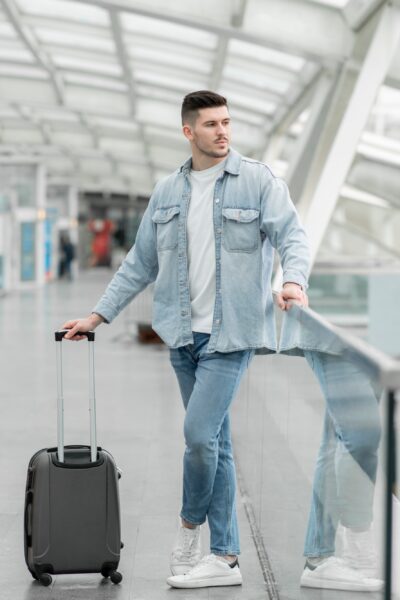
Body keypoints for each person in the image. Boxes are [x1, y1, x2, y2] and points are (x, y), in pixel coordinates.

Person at [62, 90, 310, 589]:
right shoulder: (168, 191)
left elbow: (293, 236)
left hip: (231, 336)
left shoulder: (258, 180)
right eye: (212, 124)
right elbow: (140, 263)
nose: (223, 132)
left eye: (227, 122)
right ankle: (225, 556)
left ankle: (190, 530)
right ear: (188, 131)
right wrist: (98, 314)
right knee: (213, 443)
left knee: (198, 436)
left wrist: (293, 281)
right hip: (181, 336)